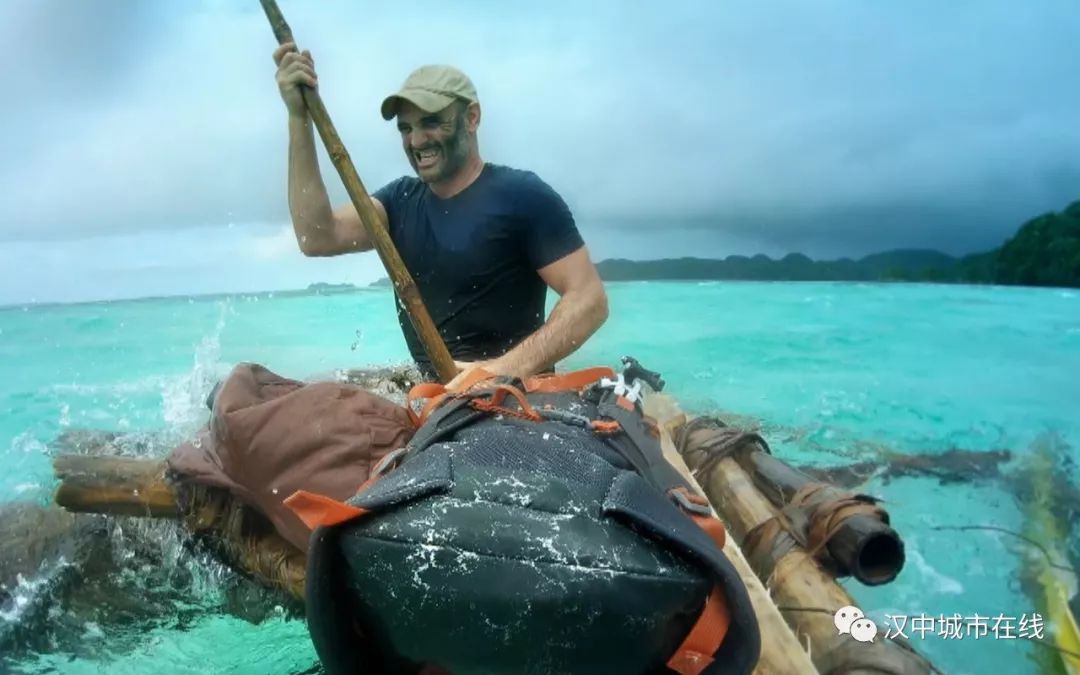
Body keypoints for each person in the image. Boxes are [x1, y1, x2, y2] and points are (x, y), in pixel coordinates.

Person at [272, 44, 609, 387]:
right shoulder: (398, 203)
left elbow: (589, 299)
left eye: (431, 122)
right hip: (426, 388)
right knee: (294, 394)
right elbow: (315, 237)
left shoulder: (522, 196)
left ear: (472, 117)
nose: (416, 141)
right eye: (406, 128)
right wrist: (299, 118)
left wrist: (498, 371)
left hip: (507, 395)